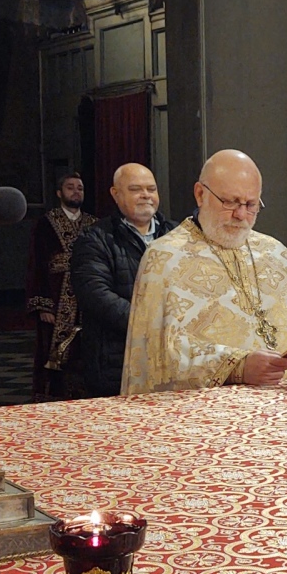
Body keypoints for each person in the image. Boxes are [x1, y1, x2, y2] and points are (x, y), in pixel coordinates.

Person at [122, 150, 287, 394]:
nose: (241, 215)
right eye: (230, 202)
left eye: (251, 205)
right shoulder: (165, 258)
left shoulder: (273, 251)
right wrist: (238, 366)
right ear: (201, 194)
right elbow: (160, 353)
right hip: (209, 412)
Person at [70, 163, 179, 398]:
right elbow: (96, 294)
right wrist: (148, 323)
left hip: (173, 357)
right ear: (115, 194)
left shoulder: (177, 234)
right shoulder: (95, 238)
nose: (146, 196)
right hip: (116, 359)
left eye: (151, 189)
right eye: (135, 189)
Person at [27, 172, 97, 401]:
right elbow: (36, 263)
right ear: (59, 193)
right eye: (70, 187)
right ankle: (51, 396)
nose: (76, 191)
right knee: (53, 350)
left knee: (86, 347)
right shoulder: (46, 222)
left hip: (87, 295)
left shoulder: (93, 224)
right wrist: (43, 304)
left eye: (80, 188)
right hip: (56, 296)